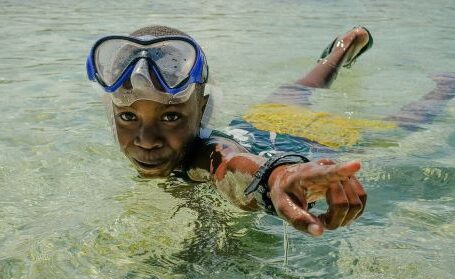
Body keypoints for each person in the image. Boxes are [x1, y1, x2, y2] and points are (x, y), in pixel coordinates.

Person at [86, 25, 454, 237]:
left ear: (202, 109)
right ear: (111, 113)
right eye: (128, 117)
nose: (146, 140)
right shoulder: (184, 141)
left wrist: (275, 179)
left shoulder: (205, 152)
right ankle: (343, 47)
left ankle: (445, 87)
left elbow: (229, 166)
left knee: (401, 124)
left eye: (170, 118)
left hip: (309, 137)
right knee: (300, 87)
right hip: (261, 120)